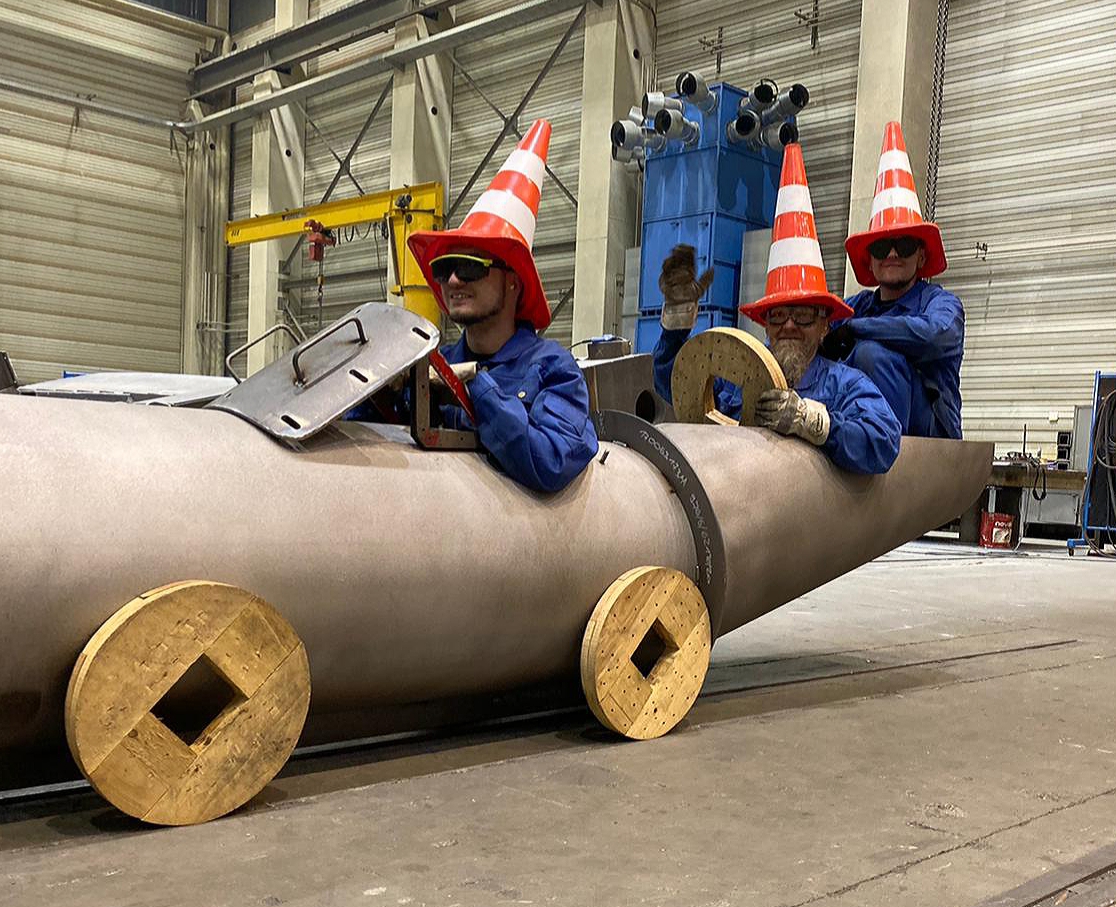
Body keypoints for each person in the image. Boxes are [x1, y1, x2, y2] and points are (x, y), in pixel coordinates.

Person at [652, 143, 901, 476]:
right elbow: (677, 384)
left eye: (803, 315)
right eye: (778, 315)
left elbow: (884, 441)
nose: (789, 326)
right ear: (765, 325)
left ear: (824, 325)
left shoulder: (844, 386)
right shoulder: (735, 380)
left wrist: (814, 422)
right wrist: (676, 324)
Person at [402, 119, 598, 493]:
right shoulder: (432, 367)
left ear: (513, 280)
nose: (453, 282)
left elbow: (552, 461)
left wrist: (476, 385)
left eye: (470, 267)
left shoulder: (554, 370)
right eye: (444, 269)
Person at [824, 120, 964, 439]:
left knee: (869, 354)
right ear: (870, 260)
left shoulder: (941, 305)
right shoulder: (857, 307)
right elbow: (819, 329)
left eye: (903, 245)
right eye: (881, 247)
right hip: (858, 430)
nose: (891, 254)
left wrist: (857, 329)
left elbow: (935, 336)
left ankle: (882, 449)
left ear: (921, 257)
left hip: (928, 439)